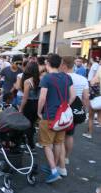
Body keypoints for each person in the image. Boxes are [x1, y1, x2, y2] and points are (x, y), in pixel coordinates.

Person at [37, 54, 75, 183]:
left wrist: (39, 111)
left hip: (49, 116)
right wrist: (65, 106)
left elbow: (42, 98)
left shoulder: (47, 78)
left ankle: (53, 171)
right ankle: (56, 167)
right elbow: (73, 95)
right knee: (58, 142)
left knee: (47, 144)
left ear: (47, 64)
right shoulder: (66, 77)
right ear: (59, 64)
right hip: (62, 118)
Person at [59, 56, 89, 167]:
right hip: (76, 110)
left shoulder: (62, 77)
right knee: (70, 135)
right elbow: (85, 97)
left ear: (64, 65)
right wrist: (85, 111)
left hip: (63, 110)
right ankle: (66, 157)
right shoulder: (83, 79)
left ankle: (60, 162)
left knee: (60, 136)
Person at [19, 62, 40, 151]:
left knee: (27, 125)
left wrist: (20, 108)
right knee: (32, 124)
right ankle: (30, 144)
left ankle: (30, 145)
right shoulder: (41, 79)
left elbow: (25, 97)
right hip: (38, 103)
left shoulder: (28, 81)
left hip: (29, 104)